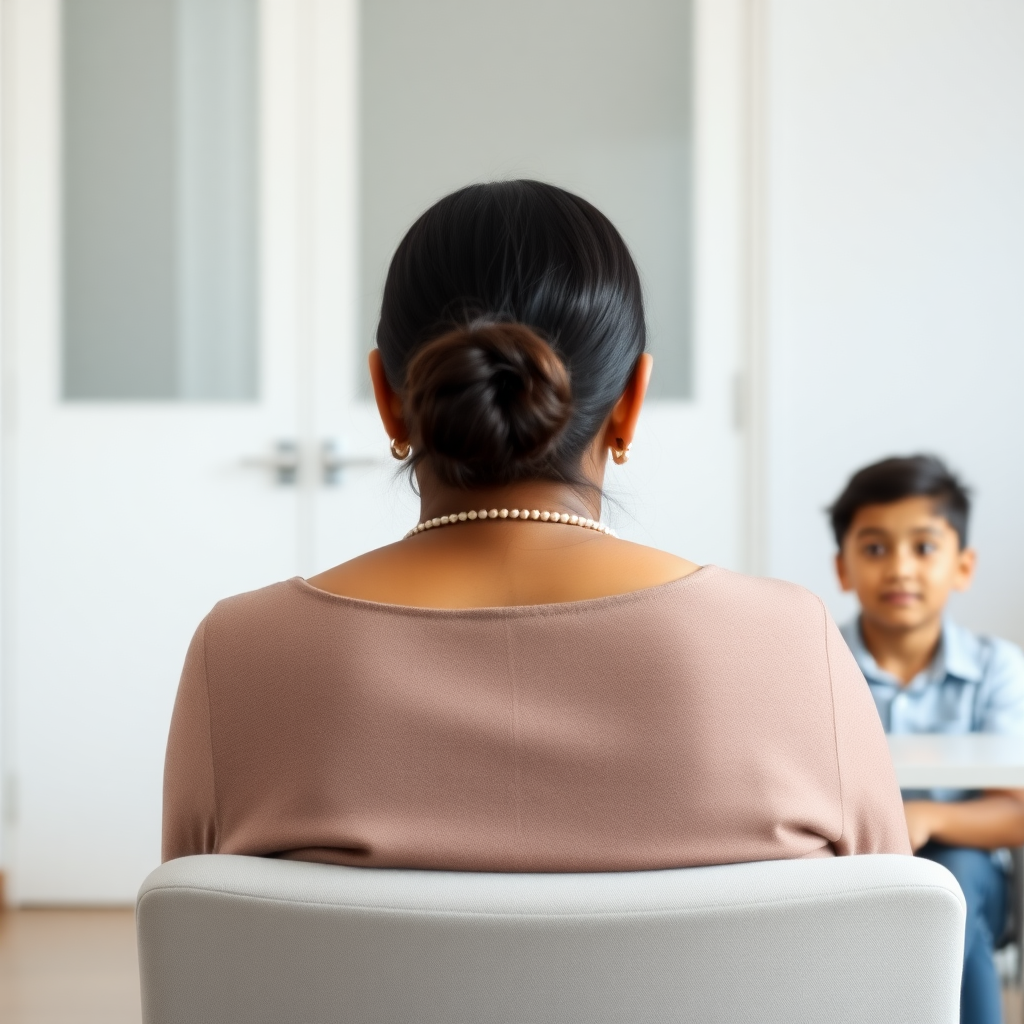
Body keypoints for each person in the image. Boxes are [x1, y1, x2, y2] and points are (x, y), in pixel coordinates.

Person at [163, 180, 909, 873]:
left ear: (389, 400)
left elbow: (194, 969)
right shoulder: (789, 643)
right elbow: (893, 958)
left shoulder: (236, 657)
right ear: (630, 402)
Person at [830, 454, 1024, 1024]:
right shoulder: (818, 659)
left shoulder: (998, 669)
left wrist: (928, 818)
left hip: (969, 869)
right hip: (853, 863)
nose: (900, 569)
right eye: (874, 548)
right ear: (842, 568)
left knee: (953, 884)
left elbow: (1016, 810)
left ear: (963, 566)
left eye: (924, 547)